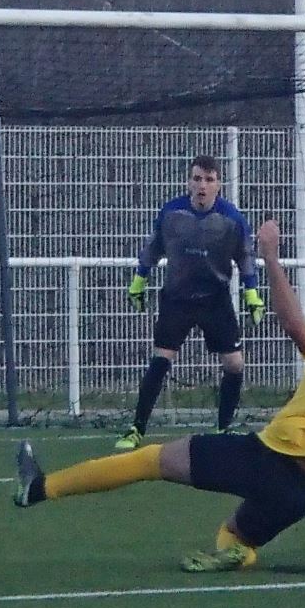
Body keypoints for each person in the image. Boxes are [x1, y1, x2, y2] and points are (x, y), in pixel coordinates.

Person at [15, 217, 305, 572]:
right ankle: (238, 556)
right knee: (234, 536)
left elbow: (295, 327)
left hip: (266, 460)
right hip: (299, 497)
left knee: (152, 460)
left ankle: (40, 488)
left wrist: (270, 257)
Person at [115, 155, 264, 450]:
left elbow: (245, 257)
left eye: (209, 180)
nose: (202, 186)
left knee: (235, 364)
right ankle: (136, 428)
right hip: (177, 298)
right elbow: (153, 248)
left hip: (215, 299)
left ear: (218, 185)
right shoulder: (172, 213)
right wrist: (139, 280)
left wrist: (252, 293)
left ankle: (222, 428)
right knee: (161, 358)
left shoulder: (232, 219)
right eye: (197, 179)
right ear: (188, 182)